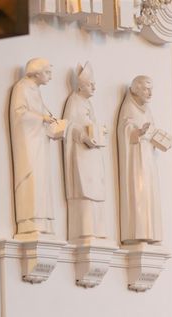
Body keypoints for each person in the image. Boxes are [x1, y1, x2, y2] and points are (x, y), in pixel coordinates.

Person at [9, 58, 66, 237]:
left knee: (42, 181)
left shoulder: (36, 91)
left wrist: (53, 125)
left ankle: (43, 220)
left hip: (40, 143)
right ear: (37, 71)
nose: (50, 76)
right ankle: (30, 221)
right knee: (33, 178)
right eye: (48, 72)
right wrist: (42, 118)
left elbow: (41, 114)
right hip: (29, 145)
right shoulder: (22, 87)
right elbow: (20, 114)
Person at [117, 75, 172, 244]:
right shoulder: (129, 107)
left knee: (150, 193)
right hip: (136, 160)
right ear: (135, 89)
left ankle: (152, 233)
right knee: (138, 193)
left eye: (151, 88)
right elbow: (125, 130)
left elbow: (151, 129)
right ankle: (139, 233)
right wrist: (138, 132)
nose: (150, 93)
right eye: (146, 89)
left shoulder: (147, 110)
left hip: (148, 159)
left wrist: (159, 137)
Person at [62, 62, 109, 242]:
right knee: (85, 190)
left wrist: (99, 131)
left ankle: (98, 230)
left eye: (94, 84)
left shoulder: (88, 104)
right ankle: (85, 230)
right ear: (80, 85)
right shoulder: (74, 101)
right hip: (81, 154)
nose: (94, 87)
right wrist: (82, 135)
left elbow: (91, 124)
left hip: (93, 153)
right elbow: (69, 125)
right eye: (91, 84)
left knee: (97, 189)